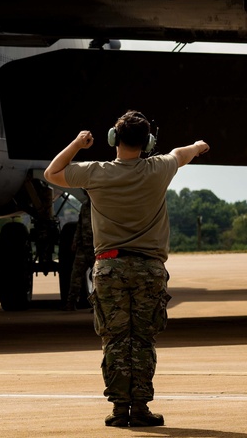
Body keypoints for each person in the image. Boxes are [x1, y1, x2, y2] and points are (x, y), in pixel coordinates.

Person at [43, 110, 209, 428]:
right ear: (147, 142)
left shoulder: (96, 173)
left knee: (115, 340)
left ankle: (120, 410)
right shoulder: (159, 168)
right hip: (149, 269)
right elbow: (182, 153)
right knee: (143, 340)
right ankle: (142, 408)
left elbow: (53, 173)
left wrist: (78, 144)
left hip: (109, 268)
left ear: (112, 139)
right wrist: (199, 145)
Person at [64, 191, 92, 311]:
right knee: (75, 276)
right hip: (83, 247)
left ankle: (98, 306)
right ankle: (71, 303)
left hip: (95, 247)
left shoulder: (100, 206)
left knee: (98, 278)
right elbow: (80, 225)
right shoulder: (85, 206)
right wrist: (76, 240)